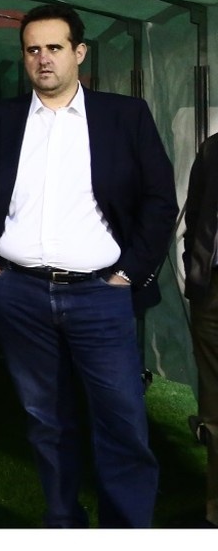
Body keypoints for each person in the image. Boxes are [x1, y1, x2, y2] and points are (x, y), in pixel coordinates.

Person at [0, 3, 177, 527]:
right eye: (33, 49)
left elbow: (159, 201)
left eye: (54, 47)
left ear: (79, 53)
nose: (43, 59)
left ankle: (127, 530)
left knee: (121, 420)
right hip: (19, 294)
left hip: (102, 295)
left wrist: (131, 274)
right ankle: (63, 524)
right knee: (45, 421)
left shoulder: (125, 116)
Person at [183, 132, 218, 527]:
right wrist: (197, 268)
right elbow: (195, 215)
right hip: (213, 292)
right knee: (214, 406)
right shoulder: (213, 148)